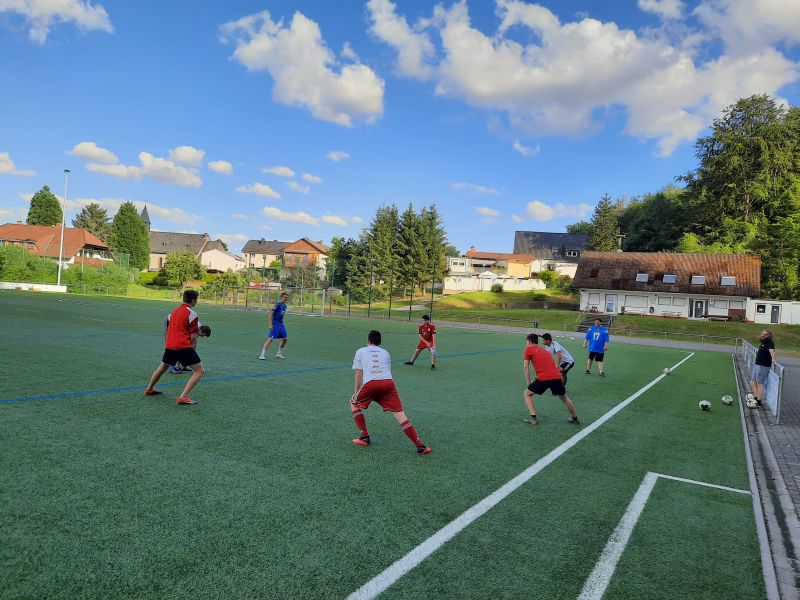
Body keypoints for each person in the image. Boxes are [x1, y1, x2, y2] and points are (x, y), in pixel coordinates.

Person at [350, 330, 431, 455]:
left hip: (371, 384)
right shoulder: (385, 352)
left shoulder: (360, 351)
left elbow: (359, 372)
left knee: (353, 403)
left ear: (368, 341)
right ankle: (420, 446)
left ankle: (364, 437)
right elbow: (387, 371)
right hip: (388, 384)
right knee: (400, 415)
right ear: (380, 342)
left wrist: (356, 391)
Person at [144, 290, 210, 405]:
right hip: (183, 346)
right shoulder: (192, 314)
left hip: (170, 346)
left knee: (162, 367)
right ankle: (183, 397)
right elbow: (193, 336)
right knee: (199, 371)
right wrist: (191, 350)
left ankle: (149, 389)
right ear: (193, 300)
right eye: (196, 299)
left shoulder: (174, 312)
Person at [522, 333, 579, 426]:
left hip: (544, 377)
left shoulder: (528, 348)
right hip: (556, 376)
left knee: (527, 393)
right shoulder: (545, 351)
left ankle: (533, 419)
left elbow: (525, 366)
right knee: (564, 398)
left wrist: (529, 383)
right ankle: (575, 418)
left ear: (528, 342)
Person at [749, 330, 776, 408]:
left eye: (765, 334)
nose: (763, 335)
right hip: (757, 365)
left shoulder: (770, 342)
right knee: (752, 382)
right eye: (762, 334)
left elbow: (772, 351)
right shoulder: (763, 343)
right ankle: (756, 397)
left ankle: (759, 401)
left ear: (769, 336)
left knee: (759, 383)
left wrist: (773, 359)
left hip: (763, 366)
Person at [259, 292, 289, 360]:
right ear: (281, 297)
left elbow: (281, 316)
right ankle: (262, 355)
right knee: (270, 339)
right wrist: (270, 324)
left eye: (287, 298)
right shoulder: (277, 304)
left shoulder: (285, 306)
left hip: (281, 324)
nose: (286, 299)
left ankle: (279, 353)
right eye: (285, 297)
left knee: (285, 339)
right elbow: (270, 313)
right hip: (275, 324)